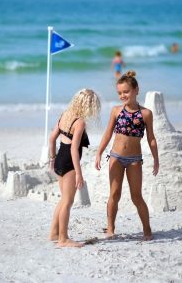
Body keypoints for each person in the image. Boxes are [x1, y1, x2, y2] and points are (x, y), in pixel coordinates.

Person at [95, 70, 159, 241]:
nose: (123, 95)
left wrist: (156, 159)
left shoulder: (145, 114)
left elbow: (151, 138)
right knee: (114, 194)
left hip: (134, 160)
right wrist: (99, 153)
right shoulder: (116, 111)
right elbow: (107, 134)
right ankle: (110, 228)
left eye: (126, 91)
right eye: (120, 93)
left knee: (136, 196)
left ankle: (147, 230)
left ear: (136, 90)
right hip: (115, 157)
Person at [48, 89, 101, 247]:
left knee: (63, 199)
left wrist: (52, 160)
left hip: (59, 159)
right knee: (68, 201)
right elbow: (73, 150)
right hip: (69, 162)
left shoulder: (65, 115)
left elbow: (52, 139)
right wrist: (79, 173)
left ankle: (54, 233)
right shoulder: (79, 122)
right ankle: (63, 239)